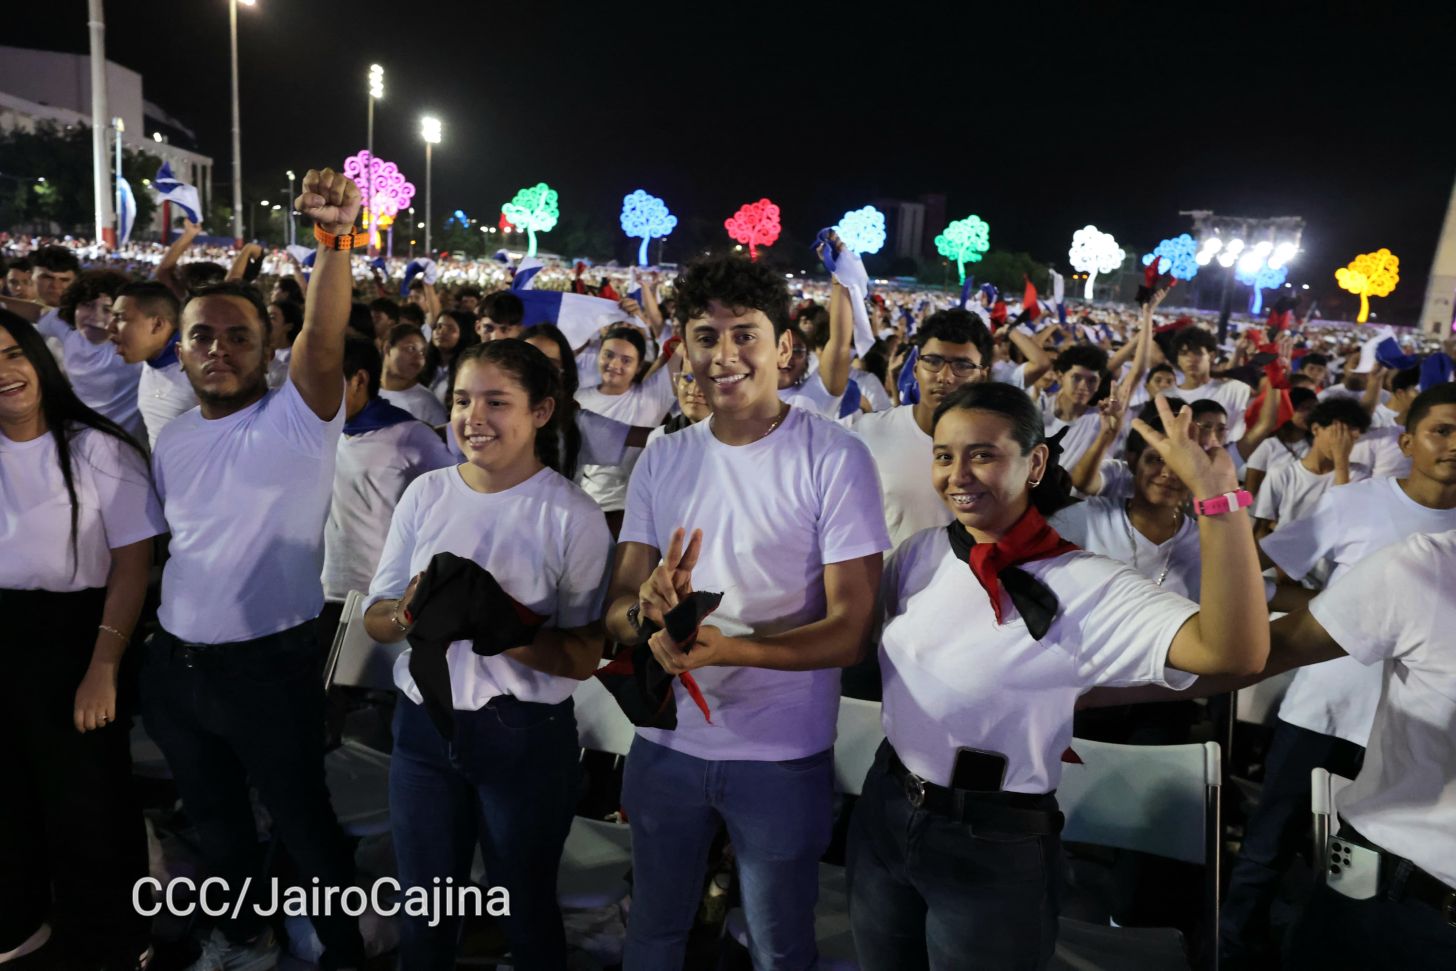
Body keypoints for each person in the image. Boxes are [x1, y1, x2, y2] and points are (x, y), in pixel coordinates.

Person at [847, 385, 1268, 969]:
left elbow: (1233, 653)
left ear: (1036, 461)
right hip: (887, 804)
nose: (957, 474)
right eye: (944, 455)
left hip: (992, 838)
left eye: (983, 454)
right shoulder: (923, 552)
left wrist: (1219, 501)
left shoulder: (1089, 584)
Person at [602, 255, 889, 970]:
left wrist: (732, 650)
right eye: (706, 335)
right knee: (653, 931)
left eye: (745, 334)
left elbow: (852, 628)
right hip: (667, 744)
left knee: (779, 944)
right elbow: (615, 609)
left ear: (784, 344)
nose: (724, 356)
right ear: (683, 346)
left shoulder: (836, 457)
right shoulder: (663, 459)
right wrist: (646, 615)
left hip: (780, 755)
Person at [140, 167, 365, 971]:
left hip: (270, 670)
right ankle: (243, 937)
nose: (219, 349)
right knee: (215, 818)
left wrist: (334, 242)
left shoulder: (300, 418)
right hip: (177, 668)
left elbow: (326, 335)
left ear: (269, 349)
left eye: (239, 335)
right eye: (202, 335)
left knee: (304, 824)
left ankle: (344, 952)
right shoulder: (174, 437)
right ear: (183, 348)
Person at [364, 339, 612, 969]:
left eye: (497, 402)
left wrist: (504, 627)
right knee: (426, 911)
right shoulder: (427, 495)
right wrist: (407, 614)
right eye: (463, 400)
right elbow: (376, 615)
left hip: (523, 736)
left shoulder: (572, 516)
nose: (474, 416)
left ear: (541, 411)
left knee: (525, 910)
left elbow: (582, 656)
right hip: (422, 730)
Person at [1221, 381, 1456, 964]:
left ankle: (1320, 937)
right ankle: (1233, 945)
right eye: (1443, 431)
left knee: (1352, 857)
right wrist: (1338, 614)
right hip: (1328, 706)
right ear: (1407, 440)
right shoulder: (1358, 502)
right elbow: (1271, 567)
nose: (1455, 445)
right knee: (1271, 840)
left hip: (1410, 735)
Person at [0, 311, 163, 971]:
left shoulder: (98, 448)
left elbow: (132, 563)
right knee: (7, 793)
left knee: (88, 798)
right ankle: (19, 918)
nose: (5, 374)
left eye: (13, 354)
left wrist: (103, 665)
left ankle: (113, 937)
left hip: (77, 636)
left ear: (38, 358)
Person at [320, 337, 453, 621]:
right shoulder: (320, 432)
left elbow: (450, 504)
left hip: (379, 599)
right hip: (319, 592)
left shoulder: (410, 436)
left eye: (324, 379)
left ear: (359, 380)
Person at [845, 308, 994, 549]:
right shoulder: (870, 433)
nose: (945, 377)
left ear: (982, 376)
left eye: (962, 365)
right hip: (884, 584)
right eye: (933, 362)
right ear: (916, 368)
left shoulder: (997, 449)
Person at [575, 325, 679, 535]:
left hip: (632, 514)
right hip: (581, 510)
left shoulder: (652, 399)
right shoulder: (577, 400)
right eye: (608, 355)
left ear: (639, 366)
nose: (614, 364)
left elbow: (683, 350)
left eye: (626, 360)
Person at [43, 270, 145, 440]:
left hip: (124, 447)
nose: (95, 317)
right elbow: (35, 312)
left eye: (107, 310)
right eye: (87, 305)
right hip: (76, 439)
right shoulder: (69, 333)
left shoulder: (137, 352)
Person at [1252, 397, 1371, 540]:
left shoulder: (1360, 475)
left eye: (1352, 438)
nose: (1344, 443)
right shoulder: (1282, 474)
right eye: (1339, 433)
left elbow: (1345, 519)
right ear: (1316, 429)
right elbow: (1261, 529)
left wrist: (1341, 461)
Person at [107, 281, 198, 448]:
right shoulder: (150, 359)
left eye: (120, 317)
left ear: (157, 325)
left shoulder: (202, 372)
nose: (110, 327)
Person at [1170, 327, 1253, 439]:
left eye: (1197, 352)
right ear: (1177, 359)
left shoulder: (1233, 389)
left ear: (1212, 356)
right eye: (1183, 353)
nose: (1190, 358)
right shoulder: (1167, 396)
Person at [1041, 343, 1112, 471]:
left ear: (1099, 384)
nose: (1083, 386)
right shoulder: (1039, 409)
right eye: (1076, 378)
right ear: (1060, 376)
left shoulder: (1102, 421)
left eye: (1092, 380)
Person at [1242, 386, 1318, 496]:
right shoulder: (1267, 446)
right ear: (1288, 410)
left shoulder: (1316, 445)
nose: (1311, 414)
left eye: (1315, 409)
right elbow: (1249, 493)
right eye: (1304, 408)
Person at [378, 323, 447, 425]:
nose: (418, 359)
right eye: (411, 349)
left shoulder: (428, 405)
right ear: (387, 349)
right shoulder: (364, 393)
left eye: (422, 353)